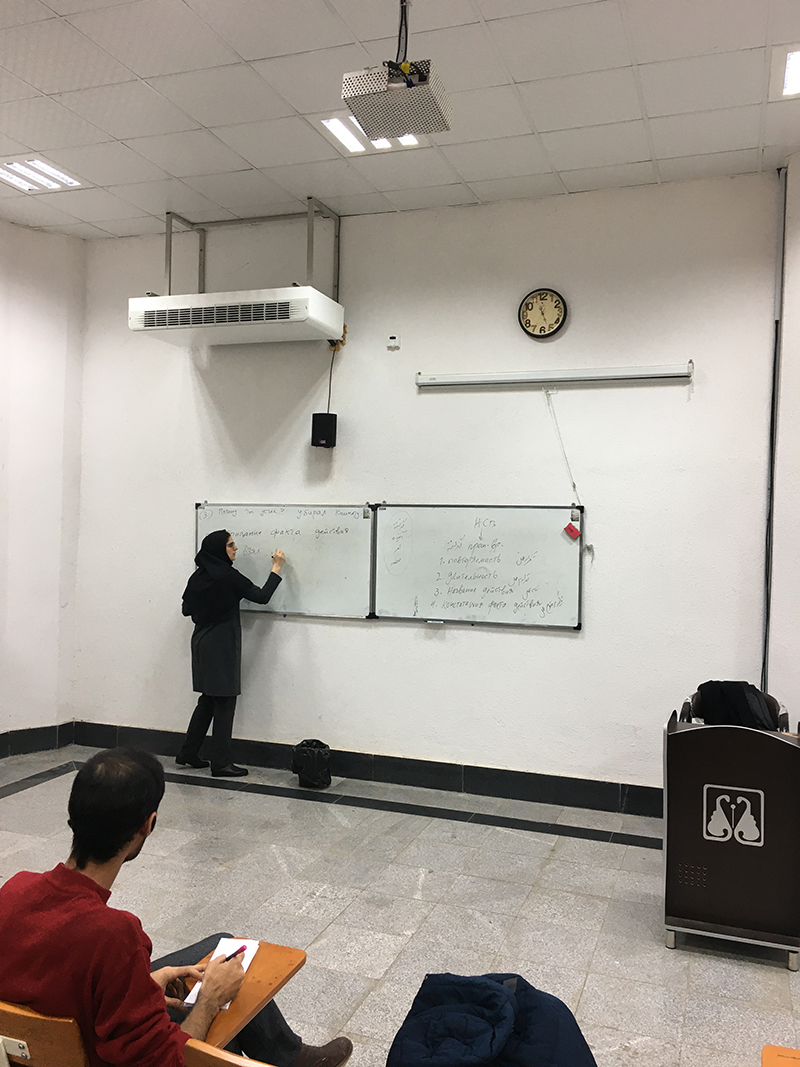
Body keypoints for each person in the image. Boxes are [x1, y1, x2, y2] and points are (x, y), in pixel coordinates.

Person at [0, 748, 352, 1067]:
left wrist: (145, 982)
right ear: (147, 825)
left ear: (73, 814)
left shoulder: (15, 888)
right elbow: (168, 1063)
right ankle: (281, 1057)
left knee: (223, 946)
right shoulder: (115, 935)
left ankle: (287, 1055)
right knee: (220, 994)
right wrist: (209, 1001)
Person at [178, 529, 285, 777]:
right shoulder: (228, 576)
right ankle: (221, 763)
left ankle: (188, 752)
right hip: (222, 644)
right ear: (219, 550)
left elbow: (186, 609)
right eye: (230, 545)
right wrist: (276, 568)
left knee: (208, 700)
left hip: (201, 642)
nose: (235, 548)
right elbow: (261, 596)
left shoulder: (199, 576)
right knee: (225, 702)